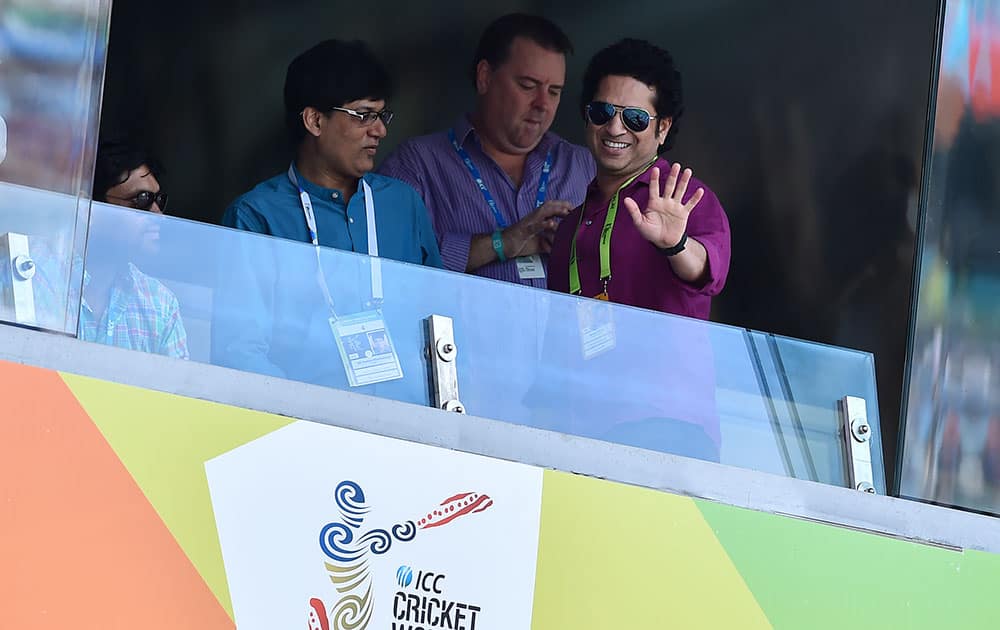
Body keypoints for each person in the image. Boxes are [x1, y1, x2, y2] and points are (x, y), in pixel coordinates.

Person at [379, 13, 595, 287]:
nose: (543, 103)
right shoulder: (417, 164)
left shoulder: (584, 166)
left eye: (554, 91)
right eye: (528, 86)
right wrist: (501, 242)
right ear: (484, 77)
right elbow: (387, 269)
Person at [547, 38, 730, 319]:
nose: (614, 128)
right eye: (602, 112)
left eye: (635, 118)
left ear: (663, 128)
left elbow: (708, 273)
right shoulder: (570, 226)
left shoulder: (684, 196)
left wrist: (677, 245)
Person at [222, 39, 442, 269]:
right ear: (315, 121)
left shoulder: (403, 203)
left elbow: (437, 300)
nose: (380, 130)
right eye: (364, 115)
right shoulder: (255, 218)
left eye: (381, 115)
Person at [26, 139, 189, 358]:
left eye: (158, 199)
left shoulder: (160, 304)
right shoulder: (30, 271)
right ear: (87, 209)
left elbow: (178, 390)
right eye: (142, 200)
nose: (157, 215)